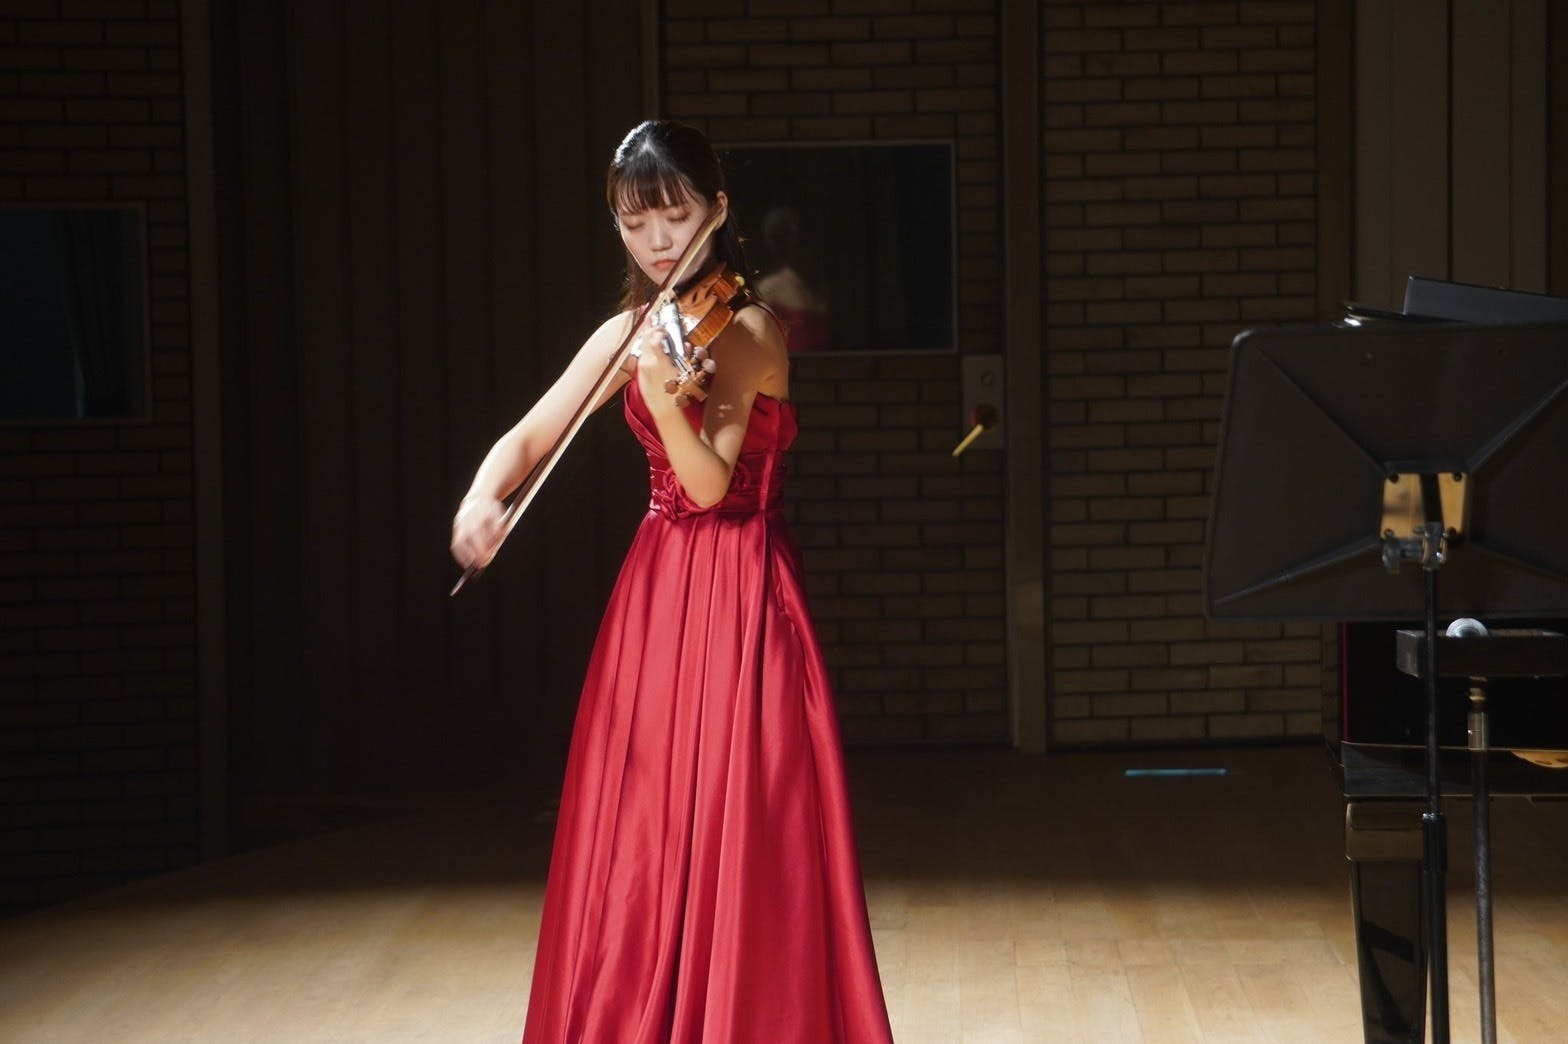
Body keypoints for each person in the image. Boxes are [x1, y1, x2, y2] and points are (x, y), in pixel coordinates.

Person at [450, 120, 894, 1044]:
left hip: (741, 590)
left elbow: (710, 485)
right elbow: (529, 436)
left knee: (741, 824)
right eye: (634, 221)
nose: (656, 240)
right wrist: (481, 501)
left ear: (717, 211)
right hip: (657, 595)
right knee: (645, 826)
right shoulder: (631, 332)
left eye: (675, 216)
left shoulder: (750, 330)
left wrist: (658, 395)